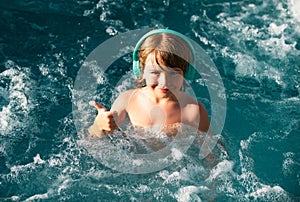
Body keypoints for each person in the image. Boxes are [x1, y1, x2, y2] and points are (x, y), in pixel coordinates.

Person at [88, 29, 210, 138]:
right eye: (155, 73)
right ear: (142, 70)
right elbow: (92, 140)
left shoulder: (193, 111)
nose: (164, 82)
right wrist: (98, 126)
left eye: (173, 74)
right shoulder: (127, 101)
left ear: (185, 73)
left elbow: (213, 149)